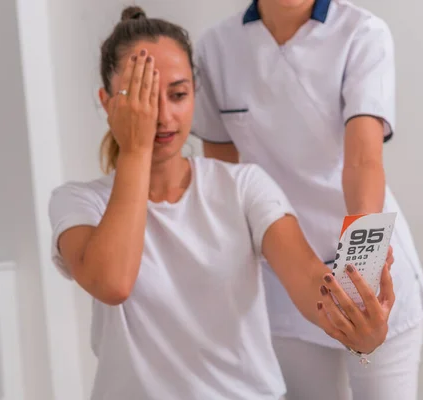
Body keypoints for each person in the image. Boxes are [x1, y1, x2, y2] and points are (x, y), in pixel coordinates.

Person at [47, 6, 396, 400]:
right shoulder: (77, 203)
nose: (160, 116)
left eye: (177, 94)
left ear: (195, 95)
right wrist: (135, 151)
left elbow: (311, 283)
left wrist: (358, 323)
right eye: (140, 98)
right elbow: (112, 282)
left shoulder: (244, 186)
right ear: (107, 102)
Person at [191, 1, 423, 399]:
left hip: (370, 269)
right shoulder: (216, 48)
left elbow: (362, 162)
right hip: (284, 282)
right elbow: (223, 185)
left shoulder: (362, 32)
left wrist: (361, 280)